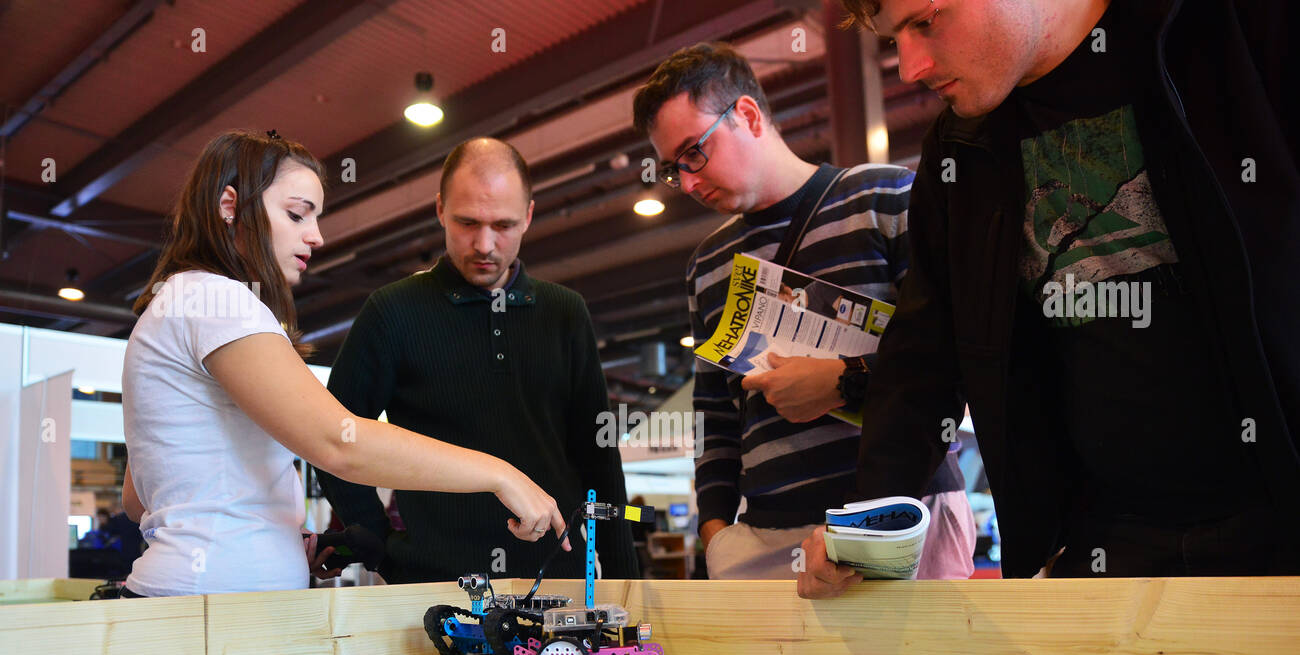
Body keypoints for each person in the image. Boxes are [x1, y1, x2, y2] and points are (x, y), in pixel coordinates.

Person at [799, 0, 1300, 597]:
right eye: (892, 39)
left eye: (926, 20)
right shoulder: (960, 150)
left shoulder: (1231, 35)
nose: (910, 67)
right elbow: (924, 355)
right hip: (1106, 546)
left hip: (1278, 519)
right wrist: (869, 527)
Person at [121, 131, 567, 597]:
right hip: (210, 610)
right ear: (229, 206)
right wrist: (501, 474)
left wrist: (275, 536)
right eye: (296, 214)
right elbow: (339, 443)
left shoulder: (179, 301)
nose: (315, 235)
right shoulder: (215, 298)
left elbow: (138, 500)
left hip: (206, 596)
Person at [632, 42, 975, 580]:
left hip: (901, 514)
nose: (690, 182)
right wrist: (717, 531)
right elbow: (714, 412)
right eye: (676, 169)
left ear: (746, 114)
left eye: (694, 152)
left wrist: (847, 379)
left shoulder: (883, 197)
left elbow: (956, 352)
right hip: (767, 539)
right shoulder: (708, 263)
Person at [316, 138, 638, 584]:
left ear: (528, 215)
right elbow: (331, 435)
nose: (484, 244)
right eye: (467, 222)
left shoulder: (565, 312)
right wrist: (379, 542)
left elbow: (598, 456)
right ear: (440, 209)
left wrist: (627, 581)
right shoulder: (393, 312)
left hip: (556, 581)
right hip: (433, 586)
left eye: (503, 224)